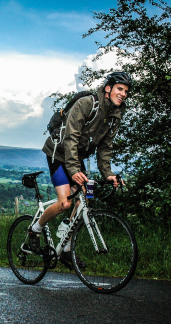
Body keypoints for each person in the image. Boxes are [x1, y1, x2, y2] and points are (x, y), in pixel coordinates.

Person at [31, 71, 131, 269]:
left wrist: (108, 173)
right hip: (58, 154)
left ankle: (66, 247)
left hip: (75, 158)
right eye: (120, 89)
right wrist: (74, 169)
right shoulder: (86, 103)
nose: (123, 94)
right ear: (108, 88)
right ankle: (35, 229)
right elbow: (71, 138)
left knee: (88, 194)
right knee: (65, 203)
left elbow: (105, 147)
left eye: (126, 91)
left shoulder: (114, 115)